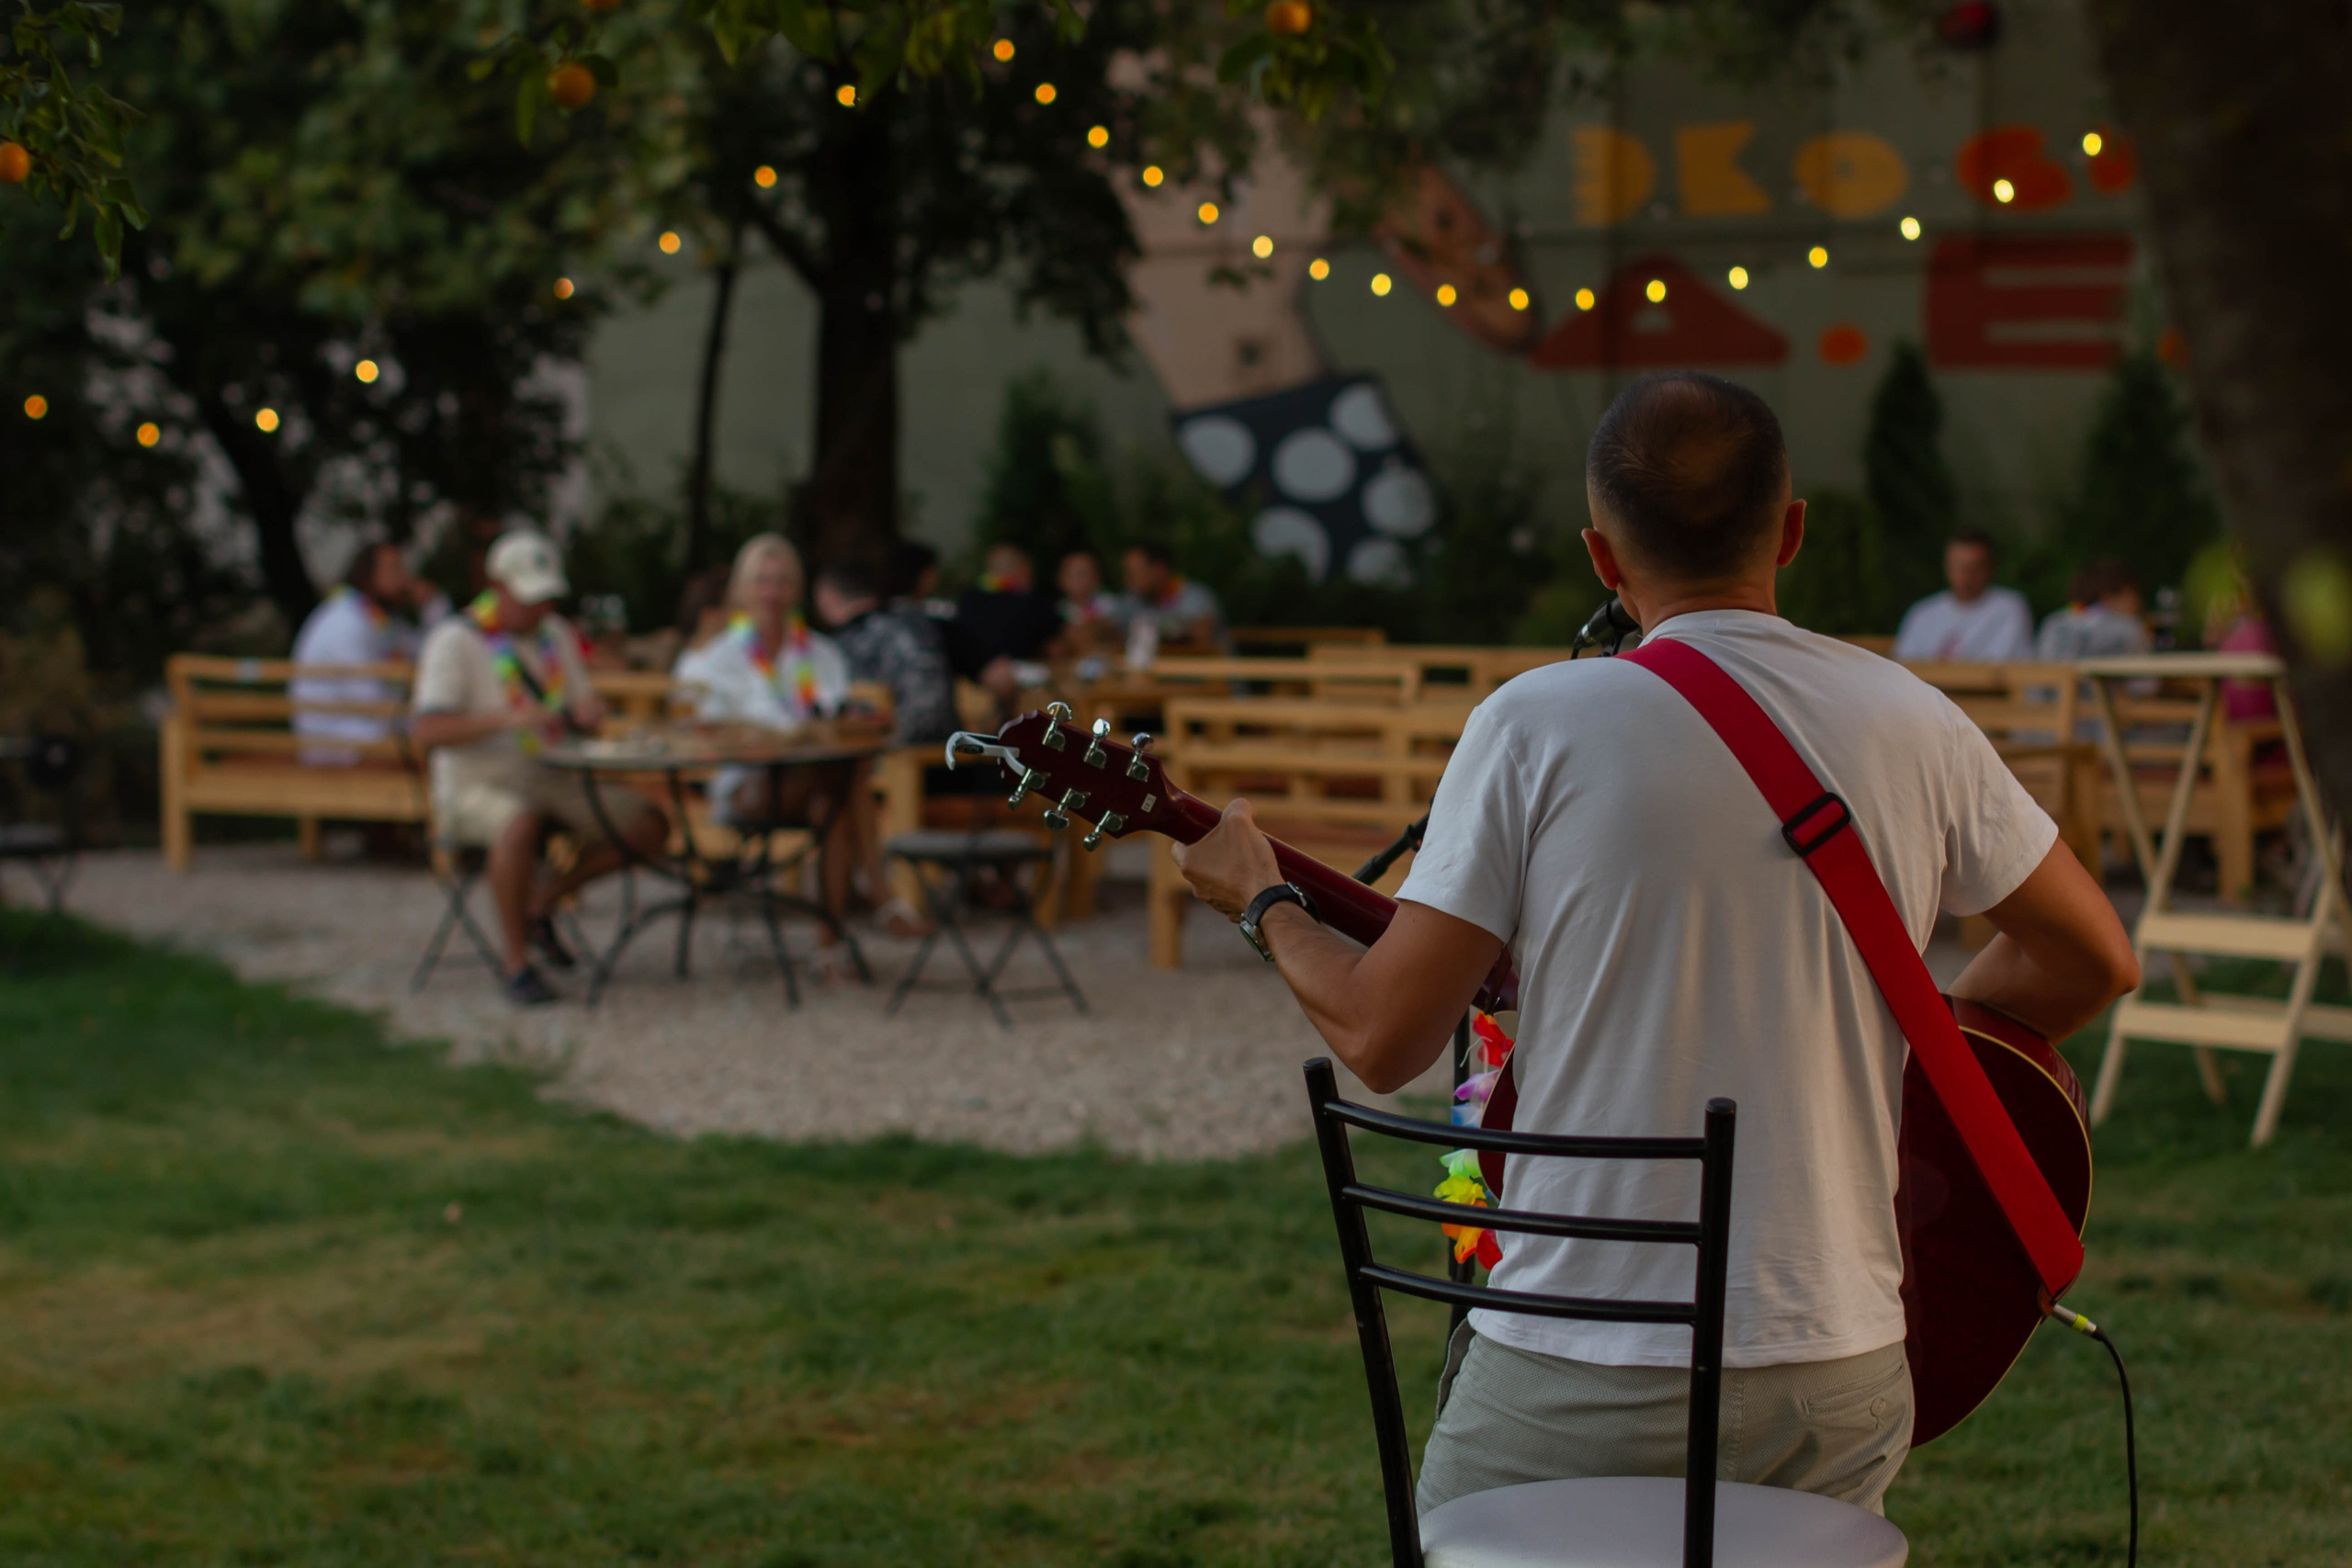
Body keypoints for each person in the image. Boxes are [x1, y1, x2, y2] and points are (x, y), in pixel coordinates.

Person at [1171, 371, 2137, 1518]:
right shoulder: (1912, 717)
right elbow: (2092, 960)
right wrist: (1911, 1056)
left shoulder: (1533, 723)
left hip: (1581, 1359)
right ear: (1790, 532)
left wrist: (1262, 903)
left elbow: (1383, 1036)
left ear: (1600, 556)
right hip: (1840, 1359)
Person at [411, 530, 668, 1006]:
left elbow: (577, 706)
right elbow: (427, 730)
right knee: (518, 823)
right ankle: (517, 964)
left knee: (649, 824)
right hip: (477, 782)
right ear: (496, 587)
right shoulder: (454, 640)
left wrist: (588, 713)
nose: (539, 608)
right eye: (528, 598)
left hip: (555, 774)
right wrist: (505, 719)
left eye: (546, 597)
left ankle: (540, 903)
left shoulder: (557, 635)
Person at [290, 541, 449, 764]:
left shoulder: (374, 617)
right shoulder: (347, 624)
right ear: (367, 576)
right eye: (395, 570)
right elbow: (373, 704)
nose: (405, 580)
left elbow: (429, 653)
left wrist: (433, 606)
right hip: (337, 749)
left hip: (362, 736)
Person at [814, 560, 958, 748]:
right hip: (951, 749)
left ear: (827, 598)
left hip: (895, 752)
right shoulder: (922, 622)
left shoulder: (844, 644)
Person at [945, 543, 1064, 707]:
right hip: (1012, 690)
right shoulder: (1030, 602)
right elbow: (1057, 650)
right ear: (1023, 569)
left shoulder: (967, 598)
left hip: (966, 692)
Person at [1891, 529, 2033, 661]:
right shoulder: (1922, 613)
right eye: (1958, 566)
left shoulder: (2009, 608)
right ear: (1946, 566)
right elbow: (1903, 666)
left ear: (1990, 568)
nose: (1966, 575)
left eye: (1975, 567)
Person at [1117, 540, 1226, 651]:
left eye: (1133, 574)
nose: (1127, 581)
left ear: (1159, 570)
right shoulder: (1132, 600)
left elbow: (1202, 642)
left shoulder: (1196, 598)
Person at [2034, 558, 2150, 660]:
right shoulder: (2129, 628)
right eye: (2133, 594)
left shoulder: (2054, 622)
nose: (2138, 602)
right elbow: (2144, 676)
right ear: (2108, 597)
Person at [1057, 549, 1124, 655]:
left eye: (1082, 574)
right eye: (1071, 574)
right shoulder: (1058, 611)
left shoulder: (1110, 604)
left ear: (1096, 577)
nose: (1077, 579)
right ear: (1061, 579)